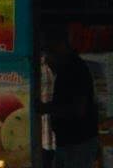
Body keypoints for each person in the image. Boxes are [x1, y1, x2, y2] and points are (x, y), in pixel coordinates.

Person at [40, 28, 99, 168]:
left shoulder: (75, 69)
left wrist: (47, 108)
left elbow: (78, 109)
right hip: (69, 143)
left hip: (78, 143)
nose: (48, 56)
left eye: (49, 50)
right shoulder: (66, 68)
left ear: (60, 45)